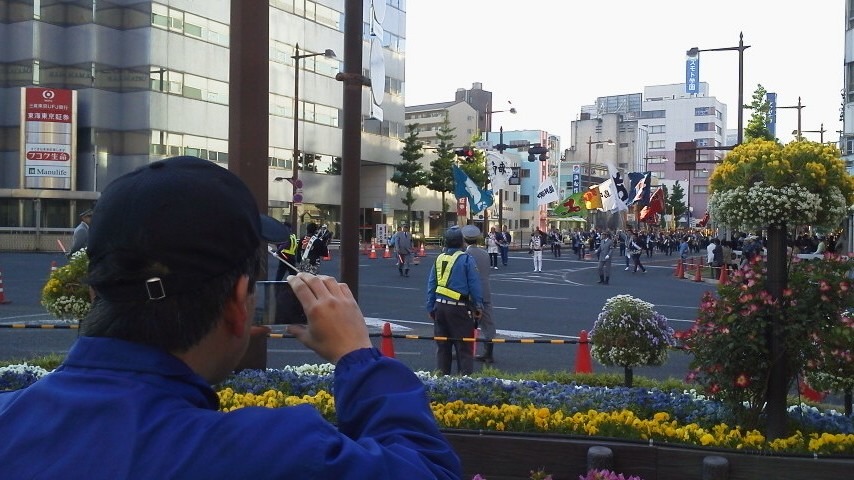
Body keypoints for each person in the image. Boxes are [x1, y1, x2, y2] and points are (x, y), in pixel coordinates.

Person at [0, 156, 461, 479]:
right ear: (240, 302)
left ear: (94, 288)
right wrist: (358, 358)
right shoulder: (275, 454)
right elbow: (428, 470)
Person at [426, 226, 483, 376]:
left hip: (440, 307)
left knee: (442, 347)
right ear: (461, 242)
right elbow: (474, 285)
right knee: (464, 348)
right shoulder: (465, 259)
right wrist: (478, 306)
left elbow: (431, 285)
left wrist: (430, 307)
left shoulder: (439, 259)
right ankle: (464, 384)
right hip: (459, 309)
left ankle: (441, 383)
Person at [462, 225, 496, 364]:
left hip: (469, 293)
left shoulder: (464, 255)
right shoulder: (485, 254)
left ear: (464, 239)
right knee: (488, 323)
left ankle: (463, 350)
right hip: (485, 291)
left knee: (463, 321)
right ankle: (489, 353)